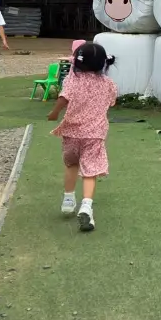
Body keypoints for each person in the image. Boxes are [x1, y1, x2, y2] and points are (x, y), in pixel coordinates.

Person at [46, 41, 117, 233]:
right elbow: (112, 102)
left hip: (71, 132)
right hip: (95, 133)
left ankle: (68, 199)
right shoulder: (108, 83)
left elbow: (63, 98)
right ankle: (86, 205)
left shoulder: (72, 80)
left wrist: (54, 113)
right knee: (90, 171)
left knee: (71, 164)